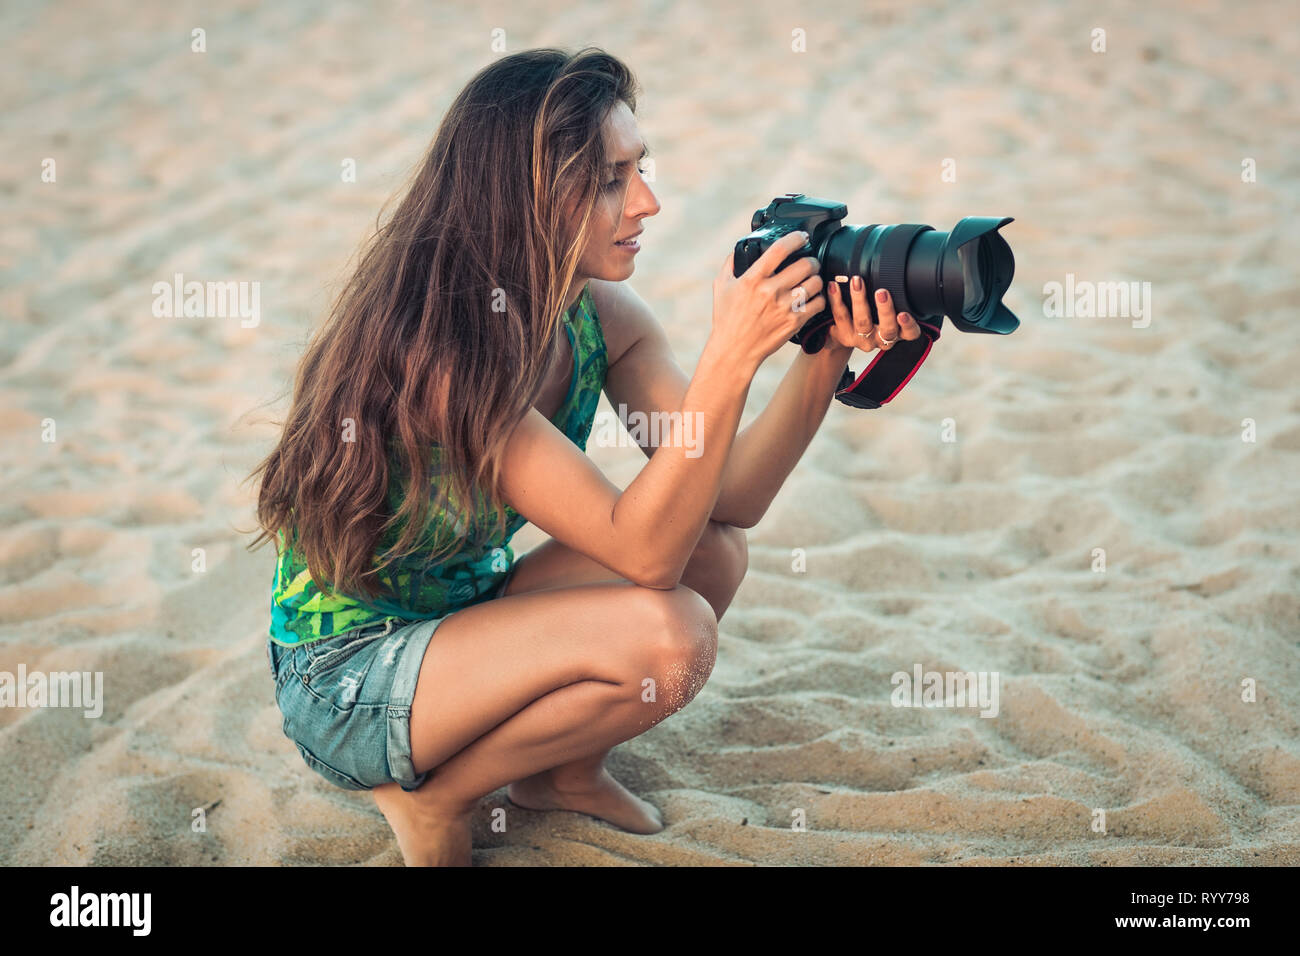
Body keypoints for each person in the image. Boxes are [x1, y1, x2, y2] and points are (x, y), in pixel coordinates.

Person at [249, 46, 923, 867]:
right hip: (349, 681)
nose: (648, 202)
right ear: (520, 194)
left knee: (713, 551)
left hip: (462, 614)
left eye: (641, 167)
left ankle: (559, 774)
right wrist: (729, 360)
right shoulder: (449, 357)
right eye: (609, 179)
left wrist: (823, 357)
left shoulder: (598, 314)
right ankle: (439, 797)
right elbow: (641, 551)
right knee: (671, 636)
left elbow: (729, 498)